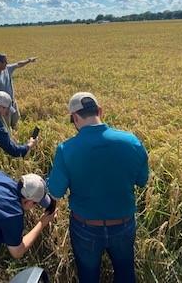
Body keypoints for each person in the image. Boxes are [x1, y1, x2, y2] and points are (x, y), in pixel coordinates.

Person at [46, 92, 149, 282]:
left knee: (88, 275)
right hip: (124, 224)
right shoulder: (132, 142)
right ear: (100, 111)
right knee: (125, 273)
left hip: (85, 227)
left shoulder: (66, 149)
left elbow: (55, 191)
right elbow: (142, 181)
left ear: (74, 118)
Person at [0, 53, 36, 129]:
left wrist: (29, 60)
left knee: (16, 120)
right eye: (5, 61)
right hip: (3, 107)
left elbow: (18, 64)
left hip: (12, 102)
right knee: (6, 126)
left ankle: (17, 137)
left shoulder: (7, 69)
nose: (7, 63)